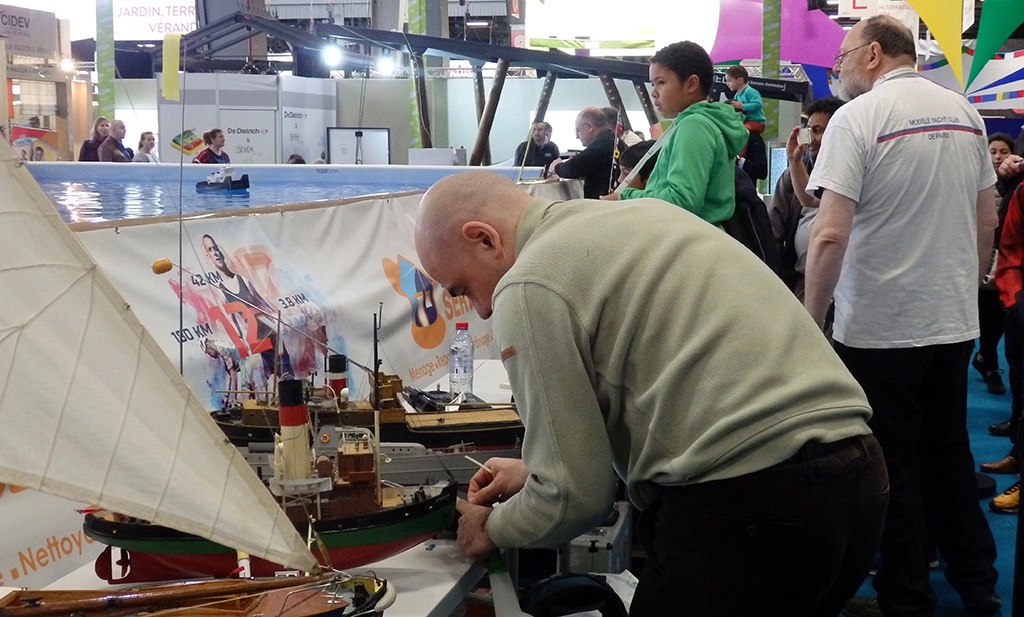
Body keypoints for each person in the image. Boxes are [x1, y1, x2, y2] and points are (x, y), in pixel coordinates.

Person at [416, 170, 888, 617]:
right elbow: (689, 390)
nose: (479, 310)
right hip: (858, 477)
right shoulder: (640, 217)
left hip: (751, 508)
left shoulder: (529, 282)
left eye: (464, 288)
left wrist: (490, 528)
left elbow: (574, 498)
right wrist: (537, 470)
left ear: (485, 238)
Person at [803, 15, 1000, 617]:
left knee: (892, 465)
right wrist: (963, 291)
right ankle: (978, 583)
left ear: (873, 55)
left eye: (842, 54)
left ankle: (906, 596)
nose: (836, 67)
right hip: (948, 319)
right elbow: (985, 219)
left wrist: (811, 321)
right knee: (948, 454)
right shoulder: (965, 114)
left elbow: (830, 235)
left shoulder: (857, 120)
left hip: (878, 327)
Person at [601, 41, 748, 227]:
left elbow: (682, 201)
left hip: (686, 244)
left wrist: (624, 196)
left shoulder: (694, 126)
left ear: (691, 84)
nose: (653, 93)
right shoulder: (701, 123)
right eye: (653, 84)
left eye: (661, 82)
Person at [769, 96, 845, 297]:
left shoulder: (851, 174)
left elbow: (811, 199)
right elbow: (774, 229)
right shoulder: (791, 176)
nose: (811, 139)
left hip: (843, 283)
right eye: (809, 131)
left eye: (819, 131)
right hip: (801, 280)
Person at [202, 234, 292, 382]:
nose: (216, 252)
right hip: (251, 333)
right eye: (210, 250)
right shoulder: (219, 290)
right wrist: (242, 339)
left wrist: (277, 318)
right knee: (267, 371)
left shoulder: (243, 279)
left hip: (266, 327)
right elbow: (231, 319)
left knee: (282, 363)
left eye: (216, 248)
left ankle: (288, 385)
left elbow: (263, 302)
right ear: (208, 256)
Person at [547, 107, 620, 199]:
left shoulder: (601, 144)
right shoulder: (613, 140)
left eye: (578, 130)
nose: (577, 136)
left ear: (589, 126)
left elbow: (575, 167)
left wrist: (557, 167)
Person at [725, 65, 766, 135]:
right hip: (746, 121)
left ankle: (744, 146)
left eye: (729, 81)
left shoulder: (750, 91)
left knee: (741, 131)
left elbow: (758, 104)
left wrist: (742, 106)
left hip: (756, 122)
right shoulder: (737, 95)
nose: (727, 84)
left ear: (740, 80)